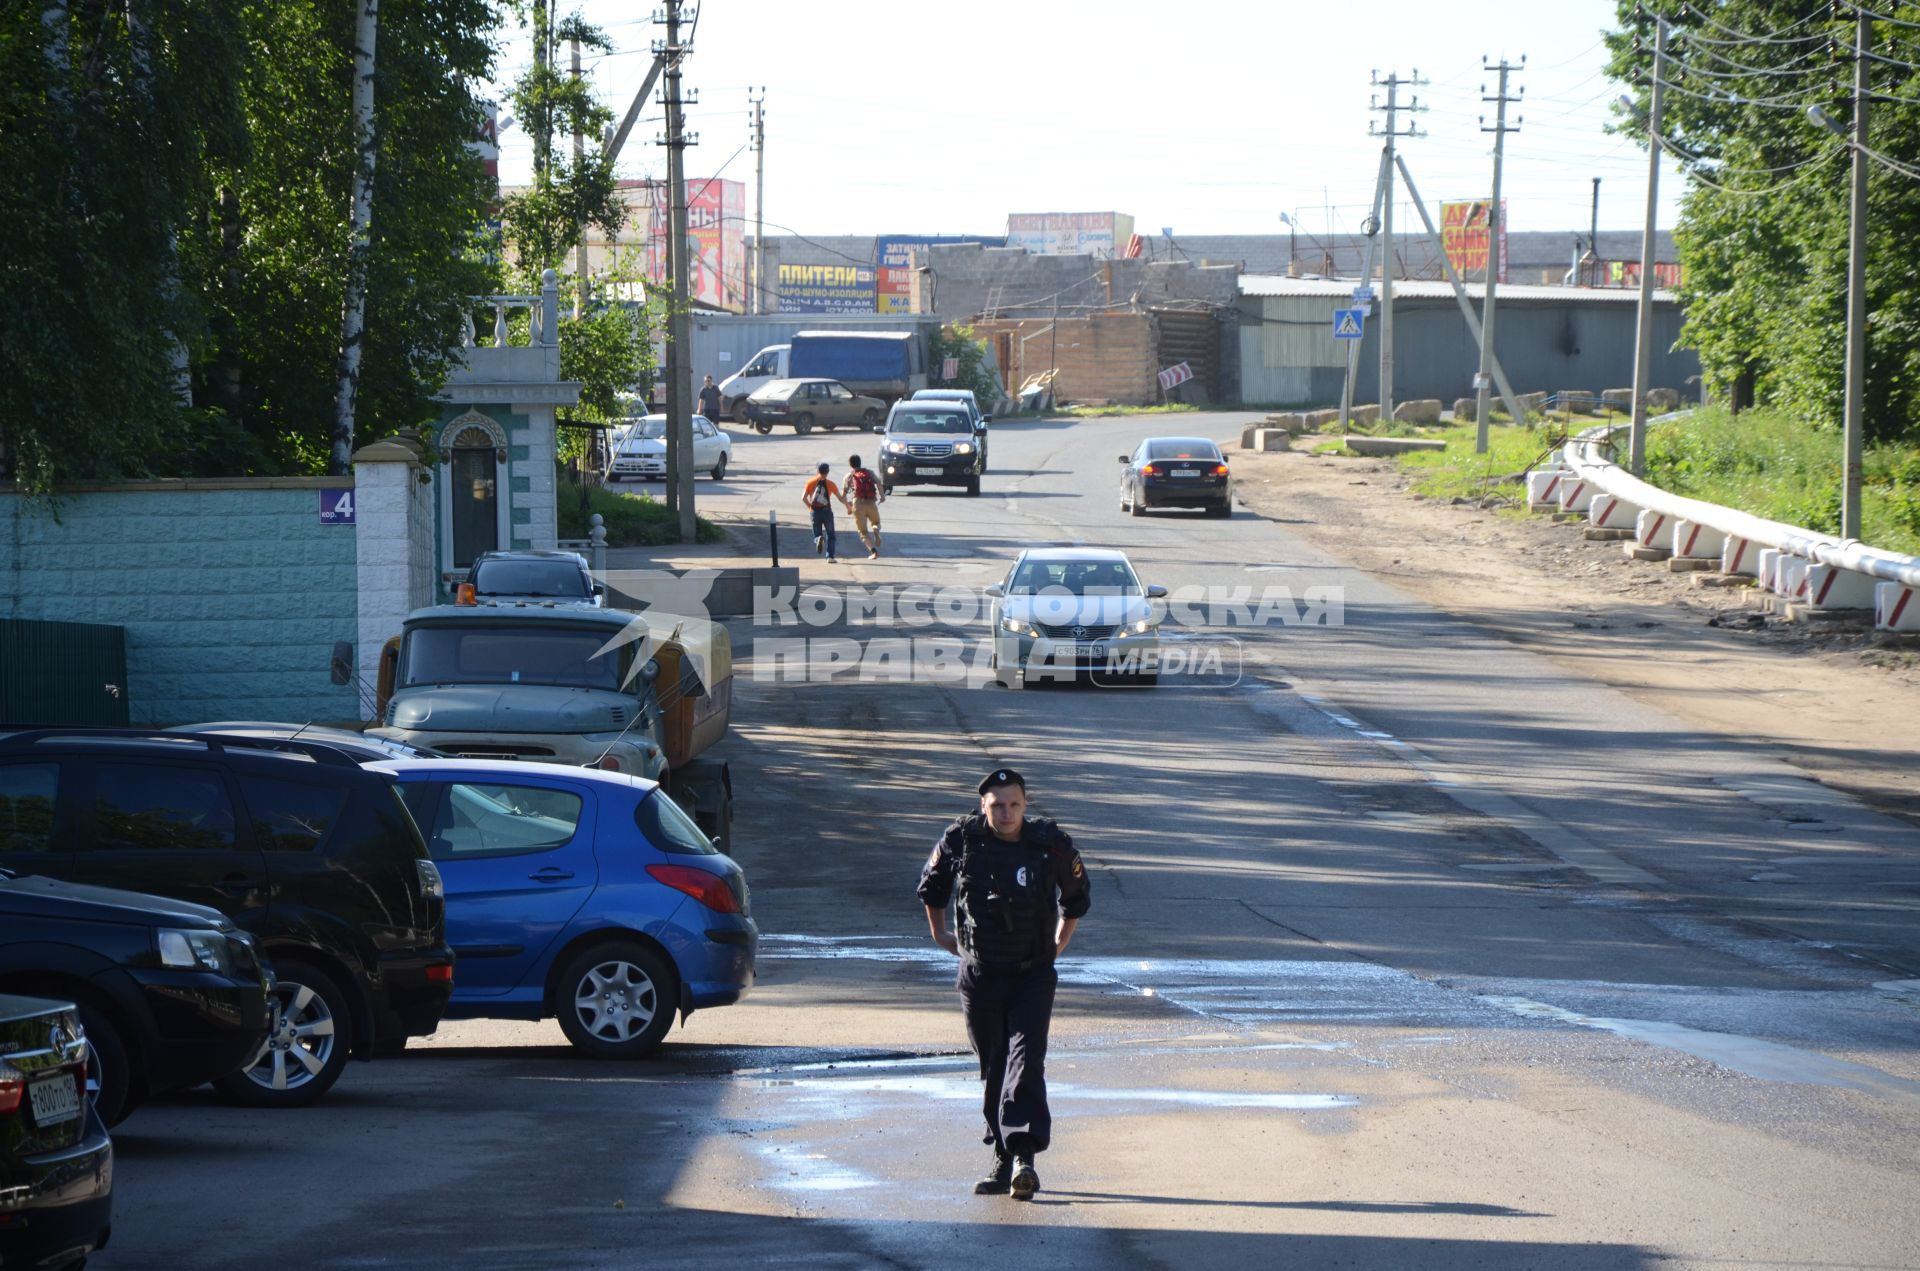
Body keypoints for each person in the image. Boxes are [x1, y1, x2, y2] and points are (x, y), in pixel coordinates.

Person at [917, 768, 1090, 1201]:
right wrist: (940, 935)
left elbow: (1077, 898)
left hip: (1033, 974)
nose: (1006, 813)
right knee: (995, 1063)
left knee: (1026, 1059)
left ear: (1025, 805)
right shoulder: (961, 840)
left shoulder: (1050, 844)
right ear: (983, 807)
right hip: (980, 974)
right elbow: (931, 888)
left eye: (1014, 804)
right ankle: (1001, 1154)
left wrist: (1058, 944)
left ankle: (1023, 1156)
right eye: (997, 805)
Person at [801, 461, 848, 562]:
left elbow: (803, 498)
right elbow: (841, 499)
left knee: (817, 533)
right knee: (831, 535)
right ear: (827, 472)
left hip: (815, 512)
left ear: (818, 471)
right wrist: (847, 498)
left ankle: (818, 539)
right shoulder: (831, 484)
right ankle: (830, 557)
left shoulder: (810, 482)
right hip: (827, 512)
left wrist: (811, 508)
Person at [845, 454, 884, 559]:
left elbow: (844, 495)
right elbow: (879, 482)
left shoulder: (849, 476)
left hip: (857, 504)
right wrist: (882, 496)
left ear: (850, 464)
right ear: (860, 462)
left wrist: (849, 508)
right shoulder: (869, 473)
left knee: (863, 532)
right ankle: (875, 528)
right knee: (876, 522)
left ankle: (873, 552)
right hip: (871, 502)